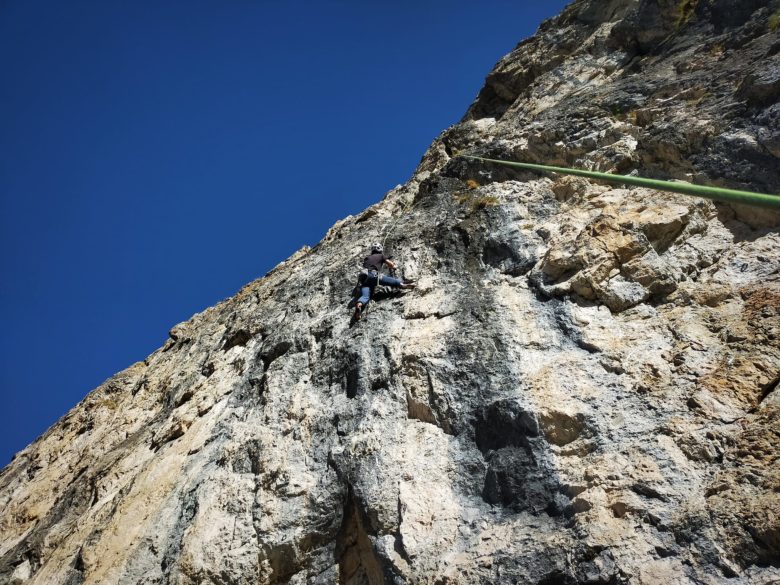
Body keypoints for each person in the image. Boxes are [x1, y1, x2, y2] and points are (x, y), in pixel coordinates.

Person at [354, 243, 415, 320]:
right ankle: (401, 284)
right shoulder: (381, 256)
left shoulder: (367, 258)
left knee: (365, 296)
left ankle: (359, 304)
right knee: (388, 280)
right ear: (380, 249)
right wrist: (394, 266)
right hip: (373, 275)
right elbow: (390, 264)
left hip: (363, 279)